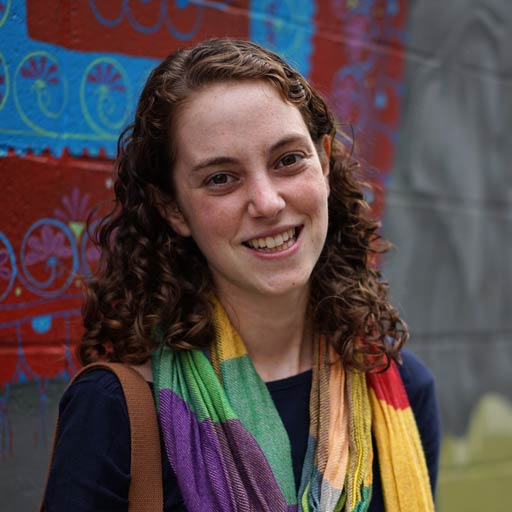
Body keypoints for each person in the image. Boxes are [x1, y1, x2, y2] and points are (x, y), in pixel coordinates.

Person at [42, 38, 440, 511]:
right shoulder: (115, 411)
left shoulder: (401, 390)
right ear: (173, 209)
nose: (267, 202)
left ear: (324, 163)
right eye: (221, 178)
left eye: (288, 159)